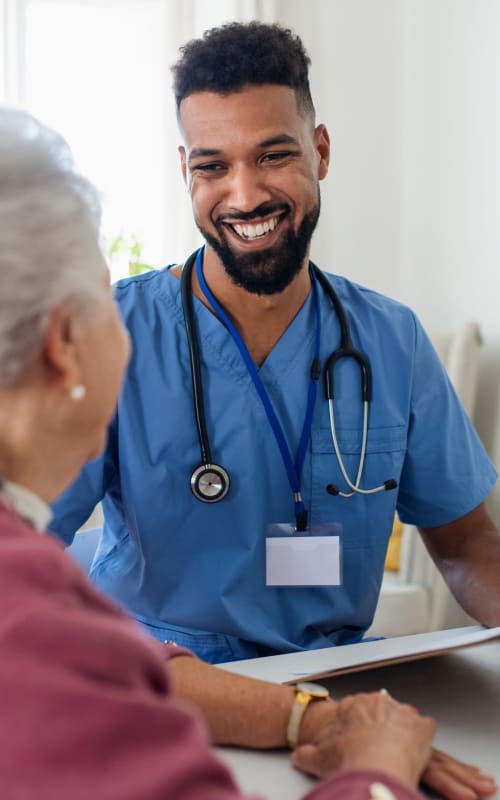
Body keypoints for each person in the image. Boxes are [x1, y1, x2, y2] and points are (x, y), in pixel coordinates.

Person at [0, 103, 486, 800]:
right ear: (61, 343)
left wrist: (316, 719)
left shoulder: (390, 337)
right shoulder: (141, 324)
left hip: (333, 682)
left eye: (273, 156)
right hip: (165, 679)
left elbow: (469, 540)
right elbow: (39, 590)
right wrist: (370, 768)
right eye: (213, 165)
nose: (246, 193)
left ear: (320, 151)